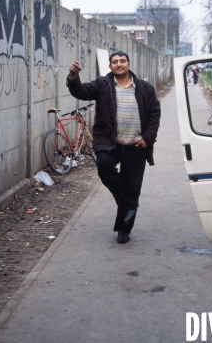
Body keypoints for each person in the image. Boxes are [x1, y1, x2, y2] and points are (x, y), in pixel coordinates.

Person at [66, 51, 161, 244]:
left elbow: (154, 113)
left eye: (122, 61)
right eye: (115, 62)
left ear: (129, 63)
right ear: (110, 66)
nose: (119, 64)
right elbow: (81, 92)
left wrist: (147, 138)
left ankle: (124, 230)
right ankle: (129, 205)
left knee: (132, 188)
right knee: (104, 166)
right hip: (110, 143)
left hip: (136, 145)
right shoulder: (102, 85)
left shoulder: (144, 87)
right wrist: (73, 77)